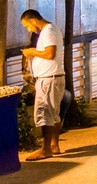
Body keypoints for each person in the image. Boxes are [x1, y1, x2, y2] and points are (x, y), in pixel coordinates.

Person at [20, 9, 66, 160]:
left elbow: (50, 53)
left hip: (48, 79)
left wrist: (32, 52)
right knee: (54, 114)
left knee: (45, 113)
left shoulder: (48, 31)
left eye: (27, 25)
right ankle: (54, 145)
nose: (28, 29)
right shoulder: (51, 30)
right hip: (53, 78)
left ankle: (46, 149)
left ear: (33, 20)